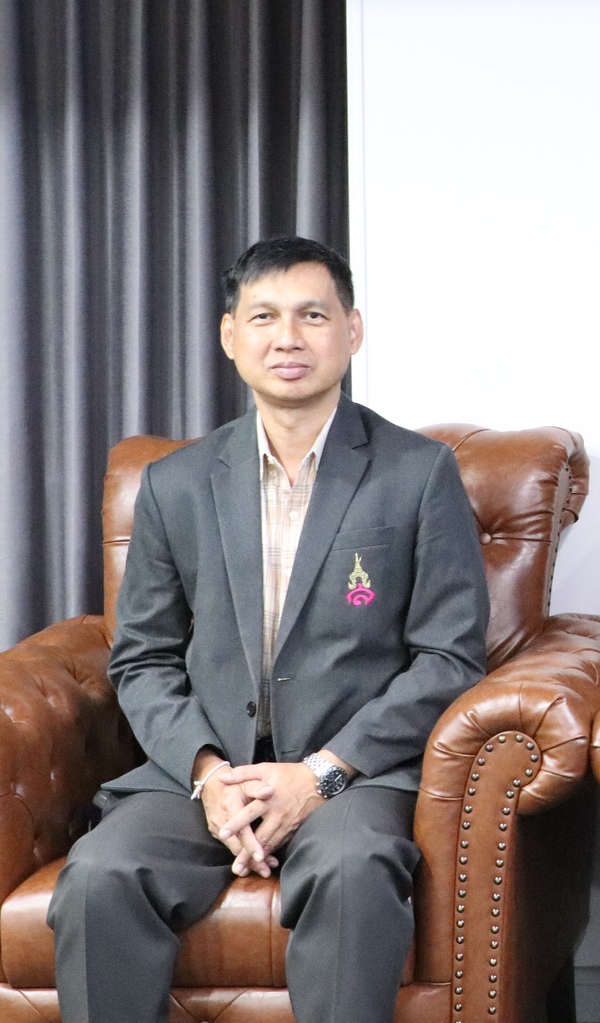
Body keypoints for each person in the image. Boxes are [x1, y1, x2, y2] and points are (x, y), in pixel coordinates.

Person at [49, 236, 490, 1023]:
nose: (288, 337)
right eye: (264, 317)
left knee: (354, 872)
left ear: (353, 330)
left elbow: (448, 657)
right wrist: (210, 773)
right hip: (204, 776)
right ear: (230, 335)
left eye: (312, 315)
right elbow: (144, 657)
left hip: (351, 776)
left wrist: (320, 773)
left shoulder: (418, 473)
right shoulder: (176, 483)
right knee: (98, 875)